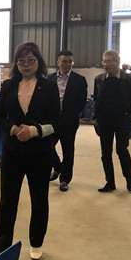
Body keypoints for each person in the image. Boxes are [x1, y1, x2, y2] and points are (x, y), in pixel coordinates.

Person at [0, 42, 59, 260]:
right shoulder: (8, 86)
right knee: (7, 202)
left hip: (40, 153)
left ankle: (36, 242)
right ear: (16, 63)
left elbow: (56, 122)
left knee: (39, 199)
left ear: (38, 62)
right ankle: (2, 250)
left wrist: (34, 131)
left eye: (31, 60)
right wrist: (14, 129)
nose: (26, 65)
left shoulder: (48, 87)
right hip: (12, 152)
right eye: (21, 61)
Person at [92, 50, 131, 193]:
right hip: (105, 121)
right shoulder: (99, 79)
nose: (105, 64)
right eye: (104, 61)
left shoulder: (129, 79)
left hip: (122, 121)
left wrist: (130, 117)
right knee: (105, 153)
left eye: (108, 61)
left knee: (122, 150)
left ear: (117, 62)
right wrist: (95, 116)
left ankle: (129, 179)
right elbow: (96, 100)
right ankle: (110, 182)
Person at [47, 50, 87, 192]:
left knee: (68, 150)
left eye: (70, 61)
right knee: (47, 146)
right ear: (58, 62)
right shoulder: (50, 78)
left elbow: (82, 102)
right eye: (64, 61)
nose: (68, 64)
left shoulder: (79, 80)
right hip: (52, 120)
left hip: (69, 120)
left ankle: (65, 179)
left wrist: (73, 113)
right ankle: (57, 167)